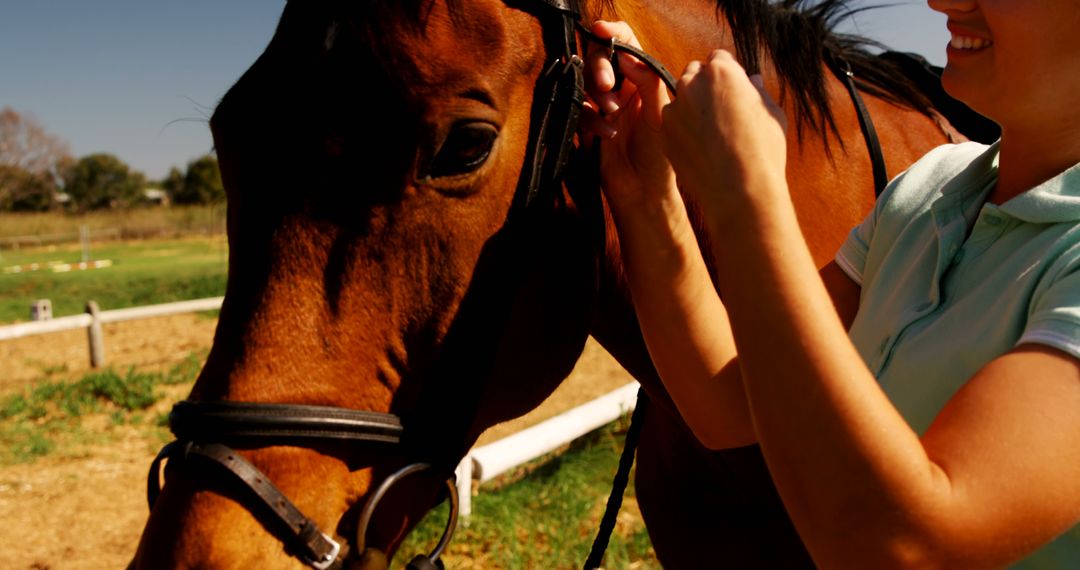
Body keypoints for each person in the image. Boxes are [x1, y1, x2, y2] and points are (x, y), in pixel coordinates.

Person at [580, 0, 1080, 566]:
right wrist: (645, 192)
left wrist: (746, 194)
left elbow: (903, 549)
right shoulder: (929, 188)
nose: (944, 2)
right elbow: (728, 400)